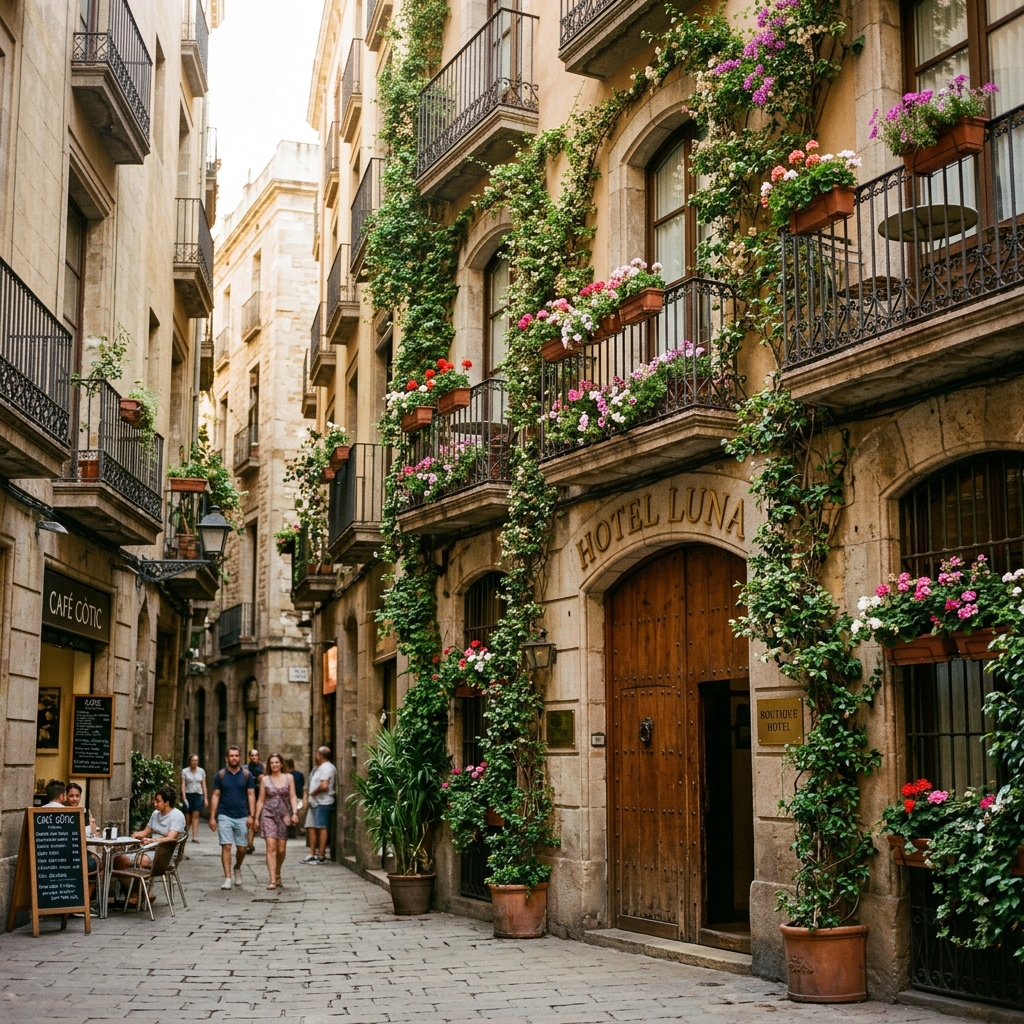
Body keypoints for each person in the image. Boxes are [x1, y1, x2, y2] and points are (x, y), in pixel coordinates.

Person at [209, 745, 256, 889]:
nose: (234, 758)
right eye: (231, 756)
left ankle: (237, 867)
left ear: (240, 757)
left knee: (242, 848)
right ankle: (228, 878)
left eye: (236, 755)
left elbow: (251, 795)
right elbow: (216, 795)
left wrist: (252, 815)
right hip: (225, 815)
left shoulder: (247, 775)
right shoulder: (221, 775)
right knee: (226, 846)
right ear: (227, 758)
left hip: (242, 815)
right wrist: (212, 817)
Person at [113, 786, 184, 873]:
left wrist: (151, 841)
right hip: (150, 849)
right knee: (118, 859)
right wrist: (136, 835)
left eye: (158, 801)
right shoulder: (155, 813)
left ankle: (138, 881)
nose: (155, 804)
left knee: (137, 860)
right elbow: (145, 832)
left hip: (165, 854)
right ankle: (132, 881)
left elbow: (170, 838)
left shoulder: (177, 816)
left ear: (167, 802)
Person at [254, 753, 298, 889]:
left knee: (281, 849)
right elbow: (261, 800)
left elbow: (293, 796)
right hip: (268, 815)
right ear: (269, 765)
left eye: (277, 762)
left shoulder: (289, 778)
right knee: (271, 847)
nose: (274, 765)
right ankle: (272, 879)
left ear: (281, 764)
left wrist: (294, 813)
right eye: (272, 763)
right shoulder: (265, 780)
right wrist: (256, 818)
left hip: (284, 816)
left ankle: (277, 872)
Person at [301, 747, 336, 864]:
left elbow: (324, 785)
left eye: (317, 754)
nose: (316, 756)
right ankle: (313, 854)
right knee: (311, 826)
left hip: (323, 802)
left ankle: (321, 855)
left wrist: (312, 793)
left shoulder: (327, 768)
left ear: (320, 756)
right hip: (315, 802)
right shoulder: (319, 768)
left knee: (321, 827)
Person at [180, 754, 208, 843]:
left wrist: (205, 798)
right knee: (188, 816)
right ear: (190, 761)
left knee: (196, 815)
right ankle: (185, 834)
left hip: (198, 795)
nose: (195, 762)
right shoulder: (185, 771)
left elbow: (204, 785)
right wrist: (184, 796)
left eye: (196, 760)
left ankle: (195, 837)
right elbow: (183, 784)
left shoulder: (201, 771)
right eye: (193, 760)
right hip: (188, 795)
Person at [245, 749, 264, 854]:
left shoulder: (263, 769)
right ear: (249, 757)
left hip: (261, 798)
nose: (254, 757)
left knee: (259, 822)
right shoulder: (246, 769)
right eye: (252, 755)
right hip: (249, 798)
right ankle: (250, 844)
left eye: (256, 755)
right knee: (251, 820)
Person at [285, 758, 304, 840]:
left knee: (290, 813)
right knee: (293, 813)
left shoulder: (289, 776)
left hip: (292, 797)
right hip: (297, 797)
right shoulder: (299, 775)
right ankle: (293, 832)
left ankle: (290, 832)